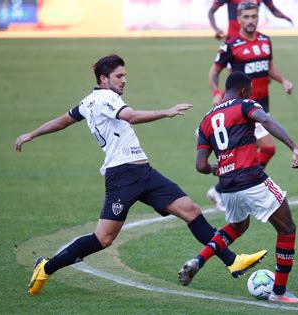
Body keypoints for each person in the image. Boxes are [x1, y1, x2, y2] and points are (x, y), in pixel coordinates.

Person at [16, 54, 268, 295]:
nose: (124, 80)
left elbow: (62, 120)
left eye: (124, 75)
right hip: (122, 176)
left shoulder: (87, 102)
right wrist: (166, 112)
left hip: (143, 172)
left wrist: (32, 134)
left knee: (190, 210)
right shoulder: (106, 98)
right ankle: (46, 267)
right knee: (103, 238)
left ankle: (233, 261)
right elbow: (132, 117)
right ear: (104, 79)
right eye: (119, 76)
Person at [178, 71, 298, 304]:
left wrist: (214, 169)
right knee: (287, 228)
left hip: (227, 185)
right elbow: (266, 120)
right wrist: (294, 147)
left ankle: (200, 259)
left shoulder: (206, 119)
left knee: (238, 225)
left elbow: (200, 165)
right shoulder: (245, 104)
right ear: (245, 90)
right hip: (251, 178)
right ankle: (279, 292)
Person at [207, 0, 294, 211]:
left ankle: (222, 189)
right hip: (241, 110)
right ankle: (232, 188)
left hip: (261, 106)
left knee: (246, 156)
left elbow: (268, 67)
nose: (250, 20)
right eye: (246, 17)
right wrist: (216, 92)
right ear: (239, 20)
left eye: (254, 16)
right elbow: (214, 72)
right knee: (268, 148)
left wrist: (283, 80)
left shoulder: (265, 41)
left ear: (258, 17)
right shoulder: (231, 45)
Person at [208, 0, 292, 40]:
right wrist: (216, 29)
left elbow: (273, 10)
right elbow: (211, 12)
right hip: (233, 36)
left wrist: (284, 17)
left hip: (252, 36)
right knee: (234, 71)